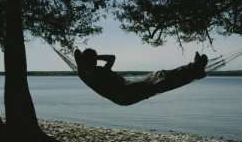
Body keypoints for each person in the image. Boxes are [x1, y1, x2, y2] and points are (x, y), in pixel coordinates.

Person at [74, 48, 208, 106]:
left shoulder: (86, 72)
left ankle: (194, 68)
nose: (96, 61)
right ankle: (195, 70)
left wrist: (87, 58)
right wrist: (94, 57)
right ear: (89, 60)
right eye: (93, 59)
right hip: (125, 93)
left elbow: (80, 59)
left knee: (160, 77)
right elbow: (112, 58)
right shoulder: (95, 73)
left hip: (126, 89)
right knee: (161, 80)